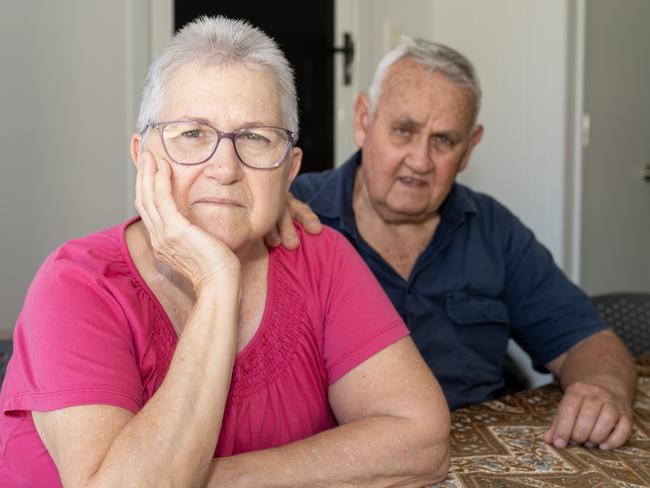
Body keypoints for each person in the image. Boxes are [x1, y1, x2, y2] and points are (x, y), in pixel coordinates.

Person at [0, 18, 450, 487]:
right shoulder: (76, 286)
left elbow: (422, 442)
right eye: (192, 133)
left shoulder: (318, 256)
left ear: (288, 169)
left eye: (255, 138)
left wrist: (201, 479)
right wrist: (217, 280)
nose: (225, 168)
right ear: (142, 156)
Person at [281, 37, 637, 451]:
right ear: (363, 120)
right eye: (403, 130)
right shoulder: (292, 217)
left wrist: (603, 388)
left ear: (469, 149)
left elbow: (586, 339)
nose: (420, 160)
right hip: (340, 462)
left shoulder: (494, 230)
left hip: (474, 457)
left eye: (444, 140)